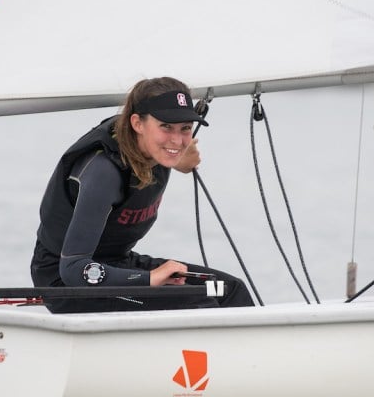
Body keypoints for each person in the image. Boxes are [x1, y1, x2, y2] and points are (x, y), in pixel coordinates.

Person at [31, 77, 254, 313]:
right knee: (198, 303)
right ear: (137, 123)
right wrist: (147, 279)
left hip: (118, 265)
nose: (177, 140)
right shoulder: (103, 173)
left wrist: (179, 159)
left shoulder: (155, 150)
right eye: (166, 127)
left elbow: (170, 149)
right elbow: (74, 268)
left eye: (185, 128)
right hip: (69, 281)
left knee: (228, 291)